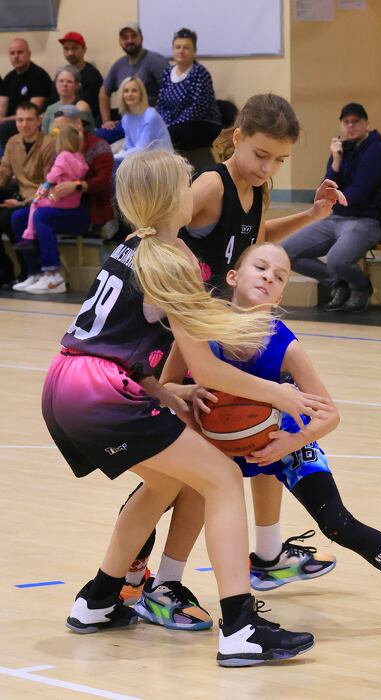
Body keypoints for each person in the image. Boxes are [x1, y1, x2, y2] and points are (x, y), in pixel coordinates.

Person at [42, 149, 330, 666]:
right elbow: (210, 370)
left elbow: (112, 333)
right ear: (171, 198)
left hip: (64, 383)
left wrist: (161, 390)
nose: (193, 188)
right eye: (186, 182)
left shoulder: (134, 245)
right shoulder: (173, 259)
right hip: (101, 391)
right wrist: (278, 394)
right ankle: (241, 627)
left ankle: (98, 599)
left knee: (165, 483)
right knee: (222, 478)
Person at [133, 242, 381, 642]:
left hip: (283, 438)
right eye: (260, 267)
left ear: (281, 296)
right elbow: (166, 387)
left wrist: (290, 442)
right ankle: (148, 582)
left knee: (338, 523)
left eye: (279, 276)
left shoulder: (285, 345)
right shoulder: (199, 328)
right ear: (233, 277)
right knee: (169, 492)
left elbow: (329, 414)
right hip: (219, 443)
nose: (268, 277)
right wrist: (190, 390)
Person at [179, 93, 345, 292]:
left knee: (273, 316)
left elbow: (257, 237)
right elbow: (154, 231)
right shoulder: (213, 184)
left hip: (224, 307)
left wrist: (313, 214)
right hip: (187, 307)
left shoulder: (256, 188)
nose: (268, 168)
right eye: (260, 155)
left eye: (279, 160)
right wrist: (185, 260)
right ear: (238, 138)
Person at [282, 102, 381, 313]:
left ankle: (360, 286)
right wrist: (335, 161)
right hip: (337, 218)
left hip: (367, 220)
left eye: (355, 121)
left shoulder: (377, 151)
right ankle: (338, 283)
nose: (350, 126)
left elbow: (358, 194)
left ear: (366, 123)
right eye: (346, 122)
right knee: (286, 252)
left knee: (337, 259)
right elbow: (325, 188)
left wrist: (331, 198)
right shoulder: (343, 150)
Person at [12, 104, 113, 294]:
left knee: (42, 216)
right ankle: (35, 273)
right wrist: (50, 191)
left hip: (89, 210)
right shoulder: (59, 148)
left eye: (61, 128)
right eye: (55, 129)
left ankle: (53, 275)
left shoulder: (99, 146)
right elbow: (52, 177)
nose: (57, 133)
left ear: (78, 124)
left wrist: (77, 185)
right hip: (61, 205)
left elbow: (104, 181)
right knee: (18, 217)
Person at [0, 102, 54, 289]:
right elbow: (4, 172)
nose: (24, 124)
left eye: (29, 120)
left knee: (11, 218)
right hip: (20, 196)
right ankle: (5, 272)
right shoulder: (13, 142)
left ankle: (30, 270)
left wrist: (22, 203)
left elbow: (49, 184)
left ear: (38, 121)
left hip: (40, 199)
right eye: (20, 120)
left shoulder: (48, 144)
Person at [15, 124, 88, 249]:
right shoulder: (79, 157)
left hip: (60, 199)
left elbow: (52, 176)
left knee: (36, 204)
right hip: (74, 201)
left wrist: (45, 186)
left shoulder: (63, 156)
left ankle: (29, 235)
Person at [97, 23, 168, 144]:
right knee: (96, 136)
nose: (129, 40)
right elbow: (104, 91)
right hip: (127, 122)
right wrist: (106, 120)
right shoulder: (119, 65)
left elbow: (170, 90)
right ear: (120, 42)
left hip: (148, 122)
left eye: (133, 36)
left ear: (141, 38)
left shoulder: (155, 61)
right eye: (125, 37)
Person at [156, 28, 222, 150]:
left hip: (201, 123)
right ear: (173, 49)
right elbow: (161, 104)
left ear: (194, 51)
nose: (181, 51)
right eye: (178, 47)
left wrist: (171, 125)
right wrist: (164, 123)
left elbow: (197, 108)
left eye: (186, 47)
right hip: (173, 125)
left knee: (170, 134)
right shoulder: (167, 72)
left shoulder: (200, 73)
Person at [0, 38, 53, 149]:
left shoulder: (39, 76)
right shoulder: (9, 78)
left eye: (20, 52)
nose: (16, 56)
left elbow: (32, 112)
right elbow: (1, 109)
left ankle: (10, 158)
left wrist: (3, 120)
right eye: (12, 53)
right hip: (9, 121)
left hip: (29, 122)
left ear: (29, 54)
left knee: (4, 127)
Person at [113, 77, 172, 165]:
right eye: (126, 91)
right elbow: (129, 145)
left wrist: (114, 157)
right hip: (141, 159)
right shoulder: (126, 117)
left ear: (141, 94)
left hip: (161, 162)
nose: (130, 94)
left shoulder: (151, 116)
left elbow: (141, 149)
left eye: (134, 91)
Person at [57, 31, 103, 126]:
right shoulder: (62, 74)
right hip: (60, 119)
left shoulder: (92, 75)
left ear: (84, 49)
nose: (70, 53)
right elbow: (53, 101)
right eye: (66, 49)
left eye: (74, 48)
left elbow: (90, 110)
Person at [41, 65, 93, 135]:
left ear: (76, 85)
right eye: (61, 81)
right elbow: (45, 136)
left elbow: (79, 135)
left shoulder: (81, 106)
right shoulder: (50, 109)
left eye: (69, 82)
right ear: (55, 83)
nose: (64, 84)